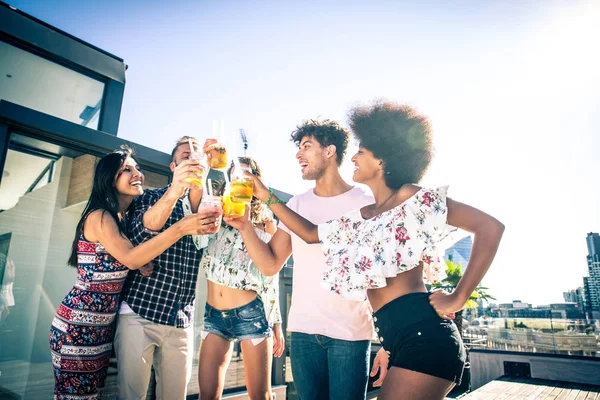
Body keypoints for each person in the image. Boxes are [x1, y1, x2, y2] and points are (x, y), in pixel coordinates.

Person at [231, 101, 505, 400]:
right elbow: (309, 233)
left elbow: (490, 228)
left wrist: (458, 296)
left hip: (424, 335)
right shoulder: (361, 217)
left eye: (361, 152)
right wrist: (259, 201)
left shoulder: (410, 197)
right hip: (397, 335)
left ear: (383, 160)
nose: (355, 158)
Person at [226, 120, 389, 400]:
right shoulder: (297, 204)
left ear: (330, 151)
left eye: (306, 146)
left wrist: (387, 343)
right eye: (298, 148)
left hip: (349, 333)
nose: (298, 154)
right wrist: (244, 226)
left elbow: (386, 273)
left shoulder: (366, 201)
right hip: (302, 332)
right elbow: (270, 264)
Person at [49, 146, 220, 399]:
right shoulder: (100, 216)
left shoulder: (120, 218)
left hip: (102, 325)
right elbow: (129, 258)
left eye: (136, 167)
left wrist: (142, 260)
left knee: (91, 395)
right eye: (126, 170)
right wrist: (181, 228)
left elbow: (129, 255)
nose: (136, 173)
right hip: (80, 322)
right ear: (109, 179)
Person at [115, 137, 219, 399]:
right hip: (140, 312)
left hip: (181, 319)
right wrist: (175, 190)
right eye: (185, 156)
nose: (192, 159)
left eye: (197, 156)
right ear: (173, 167)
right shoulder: (148, 197)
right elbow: (142, 234)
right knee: (132, 395)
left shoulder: (212, 206)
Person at [197, 156, 284, 400]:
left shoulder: (265, 221)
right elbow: (198, 241)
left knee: (260, 395)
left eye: (246, 176)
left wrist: (276, 323)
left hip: (250, 314)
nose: (239, 181)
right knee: (207, 395)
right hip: (214, 314)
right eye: (235, 175)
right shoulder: (216, 209)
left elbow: (271, 276)